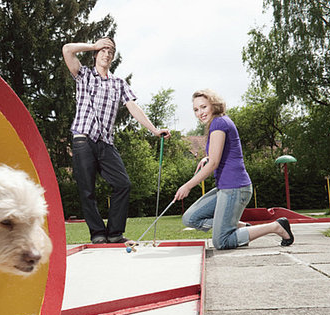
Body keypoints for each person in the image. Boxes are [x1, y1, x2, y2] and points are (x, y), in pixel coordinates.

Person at [63, 37, 170, 244]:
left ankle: (114, 233)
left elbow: (133, 108)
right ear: (96, 54)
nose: (106, 53)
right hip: (83, 139)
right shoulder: (83, 74)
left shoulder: (118, 83)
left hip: (106, 143)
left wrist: (154, 130)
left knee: (123, 184)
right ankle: (98, 234)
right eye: (103, 50)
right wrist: (94, 45)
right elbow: (67, 49)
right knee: (87, 190)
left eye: (110, 51)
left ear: (113, 57)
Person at [174, 89, 294, 249]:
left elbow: (214, 164)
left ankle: (276, 227)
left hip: (235, 189)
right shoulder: (217, 123)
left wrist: (188, 185)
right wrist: (207, 157)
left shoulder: (218, 123)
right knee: (190, 218)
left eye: (203, 107)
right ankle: (243, 229)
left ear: (214, 105)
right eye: (196, 109)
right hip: (225, 188)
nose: (200, 113)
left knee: (221, 241)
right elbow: (220, 154)